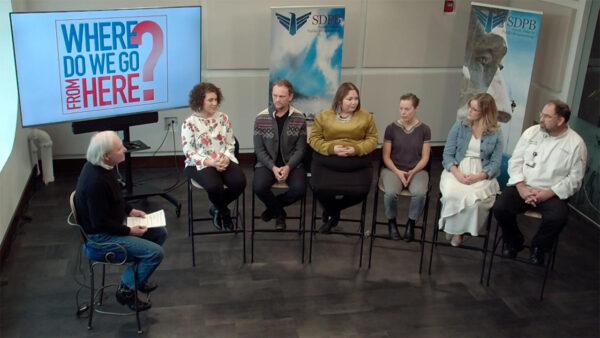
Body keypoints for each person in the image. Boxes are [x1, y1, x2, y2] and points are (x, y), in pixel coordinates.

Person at [74, 131, 167, 311]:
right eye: (119, 148)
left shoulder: (102, 168)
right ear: (106, 155)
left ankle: (137, 278)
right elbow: (100, 223)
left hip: (113, 227)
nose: (124, 149)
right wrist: (130, 231)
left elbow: (114, 197)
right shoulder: (95, 182)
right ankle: (126, 289)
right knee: (155, 253)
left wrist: (129, 210)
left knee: (159, 233)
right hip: (101, 240)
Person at [494, 100, 587, 264]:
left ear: (560, 120)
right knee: (501, 208)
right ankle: (513, 241)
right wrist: (521, 187)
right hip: (524, 186)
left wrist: (548, 193)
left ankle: (539, 248)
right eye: (541, 114)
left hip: (552, 193)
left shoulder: (576, 144)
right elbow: (515, 161)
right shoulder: (531, 132)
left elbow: (575, 179)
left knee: (558, 218)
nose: (541, 119)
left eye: (547, 116)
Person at [309, 82, 378, 233]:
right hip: (328, 161)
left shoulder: (366, 117)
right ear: (339, 100)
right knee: (319, 188)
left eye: (356, 98)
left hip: (356, 163)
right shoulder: (324, 116)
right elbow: (314, 139)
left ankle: (332, 211)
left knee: (360, 192)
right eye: (349, 99)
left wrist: (357, 149)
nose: (354, 102)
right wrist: (332, 148)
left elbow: (373, 140)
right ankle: (333, 214)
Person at [439, 93, 503, 246]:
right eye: (470, 107)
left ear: (485, 113)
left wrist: (480, 176)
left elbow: (495, 162)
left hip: (482, 173)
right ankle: (452, 227)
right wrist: (458, 174)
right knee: (451, 195)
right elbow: (447, 154)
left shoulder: (496, 132)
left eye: (475, 109)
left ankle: (458, 232)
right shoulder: (460, 125)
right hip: (458, 169)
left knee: (475, 202)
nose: (469, 111)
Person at [182, 82, 246, 231]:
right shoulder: (189, 123)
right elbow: (189, 152)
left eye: (216, 99)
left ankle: (216, 208)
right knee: (214, 186)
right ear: (200, 101)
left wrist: (225, 157)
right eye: (210, 100)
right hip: (199, 162)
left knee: (239, 183)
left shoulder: (223, 118)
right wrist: (210, 162)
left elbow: (231, 143)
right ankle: (224, 212)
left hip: (222, 159)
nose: (215, 103)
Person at [253, 79, 307, 230]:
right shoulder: (261, 118)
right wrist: (273, 167)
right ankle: (279, 213)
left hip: (292, 164)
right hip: (267, 164)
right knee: (259, 187)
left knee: (300, 189)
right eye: (274, 95)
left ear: (290, 97)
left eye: (281, 96)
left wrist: (288, 167)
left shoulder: (299, 118)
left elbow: (301, 149)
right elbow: (259, 149)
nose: (277, 99)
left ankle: (273, 208)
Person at [381, 93, 431, 242]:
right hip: (393, 169)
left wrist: (413, 171)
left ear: (416, 109)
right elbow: (386, 156)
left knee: (420, 193)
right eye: (401, 108)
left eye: (407, 109)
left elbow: (425, 157)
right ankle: (391, 223)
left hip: (417, 169)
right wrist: (398, 172)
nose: (403, 112)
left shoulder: (424, 129)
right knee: (390, 193)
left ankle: (411, 223)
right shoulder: (391, 128)